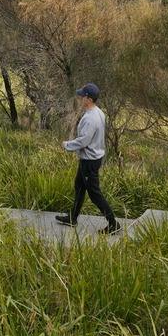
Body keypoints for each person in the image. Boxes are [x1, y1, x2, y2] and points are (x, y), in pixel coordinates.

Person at [55, 84, 119, 234]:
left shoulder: (91, 118)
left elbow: (84, 141)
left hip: (89, 161)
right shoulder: (99, 112)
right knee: (79, 186)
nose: (81, 98)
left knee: (94, 194)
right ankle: (72, 218)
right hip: (91, 158)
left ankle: (113, 223)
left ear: (89, 99)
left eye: (83, 96)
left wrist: (67, 145)